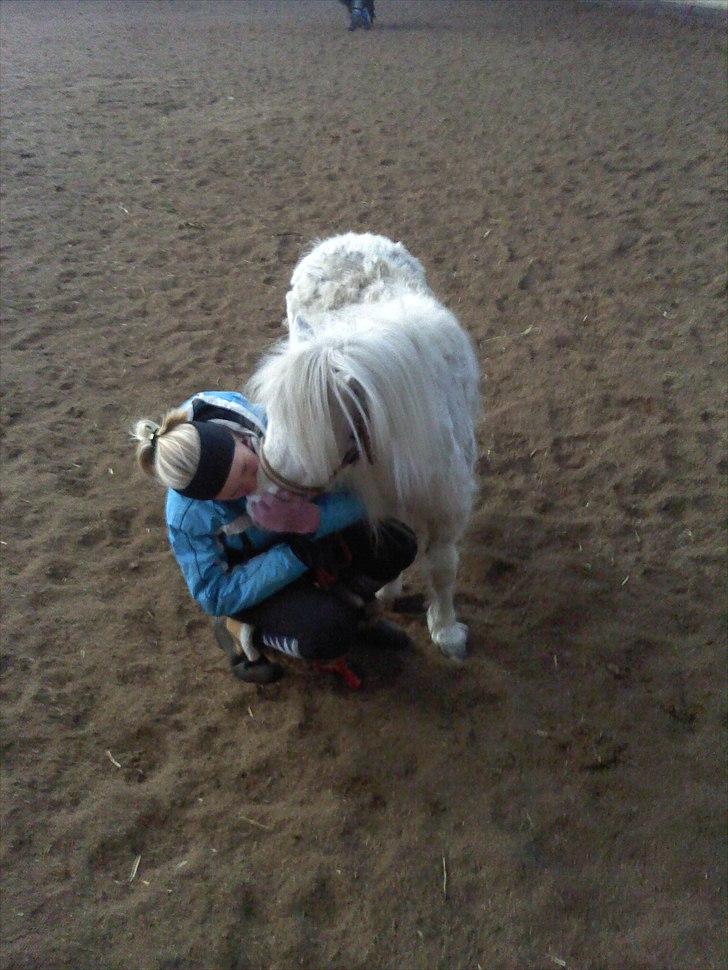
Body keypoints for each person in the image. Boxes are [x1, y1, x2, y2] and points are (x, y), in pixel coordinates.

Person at [132, 390, 416, 685]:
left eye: (245, 467)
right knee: (329, 631)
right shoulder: (187, 516)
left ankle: (358, 609)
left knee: (395, 543)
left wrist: (312, 520)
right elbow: (213, 594)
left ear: (238, 439)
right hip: (258, 576)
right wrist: (294, 555)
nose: (251, 484)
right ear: (211, 499)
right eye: (234, 493)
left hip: (303, 537)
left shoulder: (274, 432)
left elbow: (363, 493)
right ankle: (243, 632)